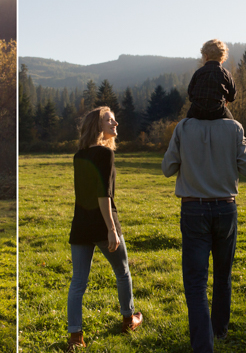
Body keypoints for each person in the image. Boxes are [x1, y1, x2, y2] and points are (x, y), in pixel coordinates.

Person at [162, 117, 246, 352]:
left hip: (194, 209)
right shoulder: (234, 127)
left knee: (195, 283)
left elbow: (167, 168)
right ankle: (219, 330)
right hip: (225, 207)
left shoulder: (183, 127)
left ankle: (203, 344)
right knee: (223, 275)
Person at [67, 106, 143, 351]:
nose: (116, 123)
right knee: (122, 272)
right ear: (98, 126)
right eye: (110, 120)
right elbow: (104, 195)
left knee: (78, 282)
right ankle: (128, 320)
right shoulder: (105, 155)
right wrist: (111, 228)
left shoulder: (79, 155)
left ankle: (75, 337)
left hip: (80, 226)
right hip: (103, 225)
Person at [186, 39, 236, 120]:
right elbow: (232, 96)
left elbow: (190, 93)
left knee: (186, 122)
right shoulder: (226, 74)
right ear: (222, 59)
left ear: (206, 56)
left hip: (197, 111)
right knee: (232, 123)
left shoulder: (198, 72)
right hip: (218, 111)